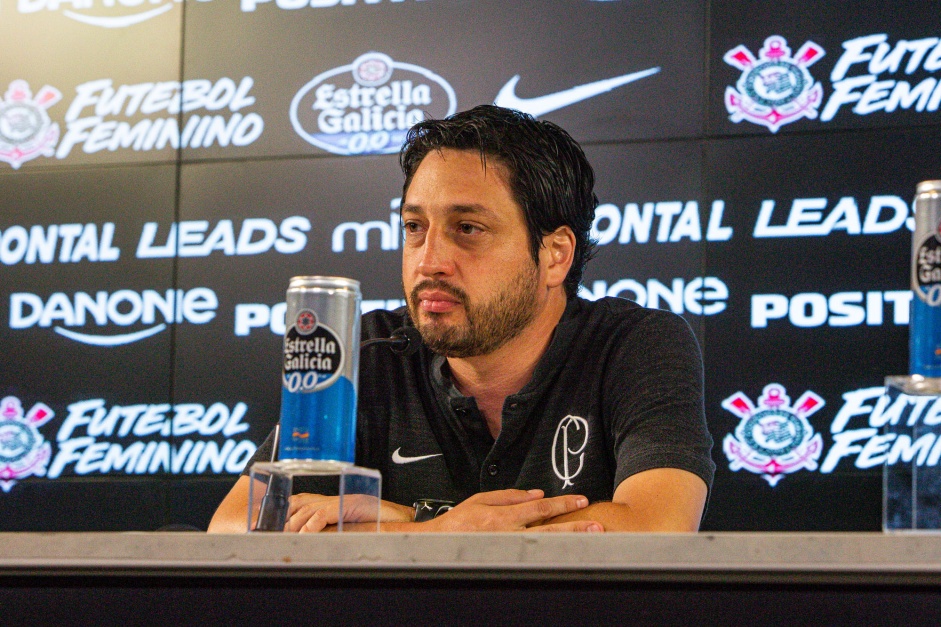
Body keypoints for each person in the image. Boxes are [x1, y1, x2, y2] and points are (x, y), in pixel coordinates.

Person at [208, 105, 714, 533]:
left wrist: (414, 523)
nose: (428, 261)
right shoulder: (367, 350)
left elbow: (655, 526)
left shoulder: (634, 344)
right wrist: (436, 533)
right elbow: (233, 524)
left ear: (556, 254)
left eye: (467, 228)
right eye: (414, 226)